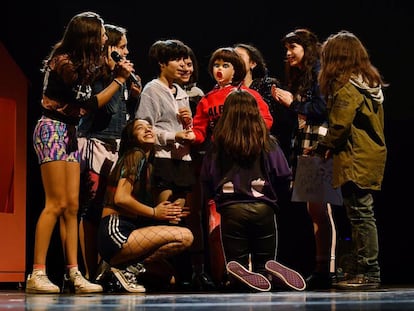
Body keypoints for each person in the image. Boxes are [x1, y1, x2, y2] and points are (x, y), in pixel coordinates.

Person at [28, 11, 135, 294]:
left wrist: (117, 71)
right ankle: (37, 273)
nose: (104, 39)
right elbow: (90, 103)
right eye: (101, 34)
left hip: (71, 132)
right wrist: (118, 80)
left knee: (73, 207)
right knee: (55, 203)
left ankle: (74, 273)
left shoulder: (89, 63)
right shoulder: (64, 62)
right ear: (88, 36)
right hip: (52, 129)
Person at [200, 89, 306, 292]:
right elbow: (283, 174)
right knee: (263, 264)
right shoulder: (267, 142)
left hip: (231, 209)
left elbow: (206, 178)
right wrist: (276, 199)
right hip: (263, 208)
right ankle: (268, 271)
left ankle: (238, 278)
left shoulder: (218, 146)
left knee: (236, 265)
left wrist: (216, 198)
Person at [191, 46, 273, 286]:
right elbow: (199, 130)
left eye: (225, 65)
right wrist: (187, 135)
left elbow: (267, 121)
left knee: (250, 219)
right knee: (216, 222)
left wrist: (245, 139)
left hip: (247, 163)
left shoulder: (248, 96)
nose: (219, 69)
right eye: (216, 65)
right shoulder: (207, 99)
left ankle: (257, 271)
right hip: (219, 163)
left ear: (236, 69)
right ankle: (225, 275)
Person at [315, 30, 387, 290]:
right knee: (360, 213)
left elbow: (340, 124)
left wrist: (323, 145)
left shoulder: (346, 85)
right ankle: (360, 269)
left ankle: (369, 272)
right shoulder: (366, 82)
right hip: (368, 154)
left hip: (355, 156)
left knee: (360, 214)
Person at [271, 28, 338, 289]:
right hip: (306, 142)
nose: (288, 54)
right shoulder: (305, 75)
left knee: (320, 206)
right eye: (286, 49)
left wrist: (292, 103)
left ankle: (327, 268)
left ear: (307, 48)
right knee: (315, 207)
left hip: (317, 142)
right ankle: (323, 266)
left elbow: (321, 108)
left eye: (293, 48)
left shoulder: (320, 71)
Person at [96, 118, 194, 293]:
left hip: (128, 230)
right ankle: (123, 269)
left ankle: (117, 268)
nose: (148, 129)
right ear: (131, 137)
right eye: (140, 128)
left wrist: (169, 212)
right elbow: (121, 198)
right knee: (185, 236)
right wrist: (155, 212)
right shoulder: (135, 154)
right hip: (116, 231)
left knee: (169, 276)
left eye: (150, 127)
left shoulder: (148, 164)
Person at [76, 23, 142, 282]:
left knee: (111, 209)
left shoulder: (122, 76)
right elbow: (100, 108)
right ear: (109, 48)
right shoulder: (96, 74)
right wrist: (119, 78)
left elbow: (124, 114)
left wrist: (133, 93)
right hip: (97, 145)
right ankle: (89, 272)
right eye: (122, 47)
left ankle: (107, 268)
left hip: (117, 146)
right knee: (91, 211)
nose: (126, 52)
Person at [174, 45, 216, 291]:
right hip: (173, 159)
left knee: (195, 214)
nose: (186, 68)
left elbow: (204, 129)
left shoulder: (198, 93)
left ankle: (198, 270)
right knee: (178, 213)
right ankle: (179, 270)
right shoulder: (161, 90)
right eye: (180, 63)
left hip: (197, 159)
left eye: (189, 64)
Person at [233, 43, 296, 164]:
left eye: (239, 56)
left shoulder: (267, 85)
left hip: (265, 152)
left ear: (253, 63)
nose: (234, 60)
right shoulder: (224, 89)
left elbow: (282, 122)